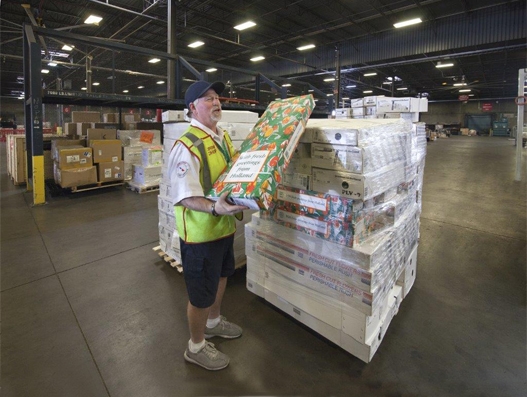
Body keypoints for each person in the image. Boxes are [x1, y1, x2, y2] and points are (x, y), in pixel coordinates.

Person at [167, 80, 248, 371]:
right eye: (208, 99)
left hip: (223, 228)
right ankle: (196, 346)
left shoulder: (221, 137)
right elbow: (185, 196)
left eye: (217, 97)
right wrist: (215, 207)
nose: (216, 103)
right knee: (201, 294)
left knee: (223, 275)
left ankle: (213, 322)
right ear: (192, 108)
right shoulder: (186, 146)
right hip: (201, 236)